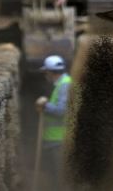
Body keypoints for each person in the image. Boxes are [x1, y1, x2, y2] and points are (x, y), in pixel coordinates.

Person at [35, 55, 72, 188]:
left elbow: (61, 111)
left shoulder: (65, 85)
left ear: (50, 72)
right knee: (54, 176)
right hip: (55, 140)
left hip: (60, 140)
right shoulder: (61, 84)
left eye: (46, 72)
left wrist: (45, 105)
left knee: (59, 178)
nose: (46, 75)